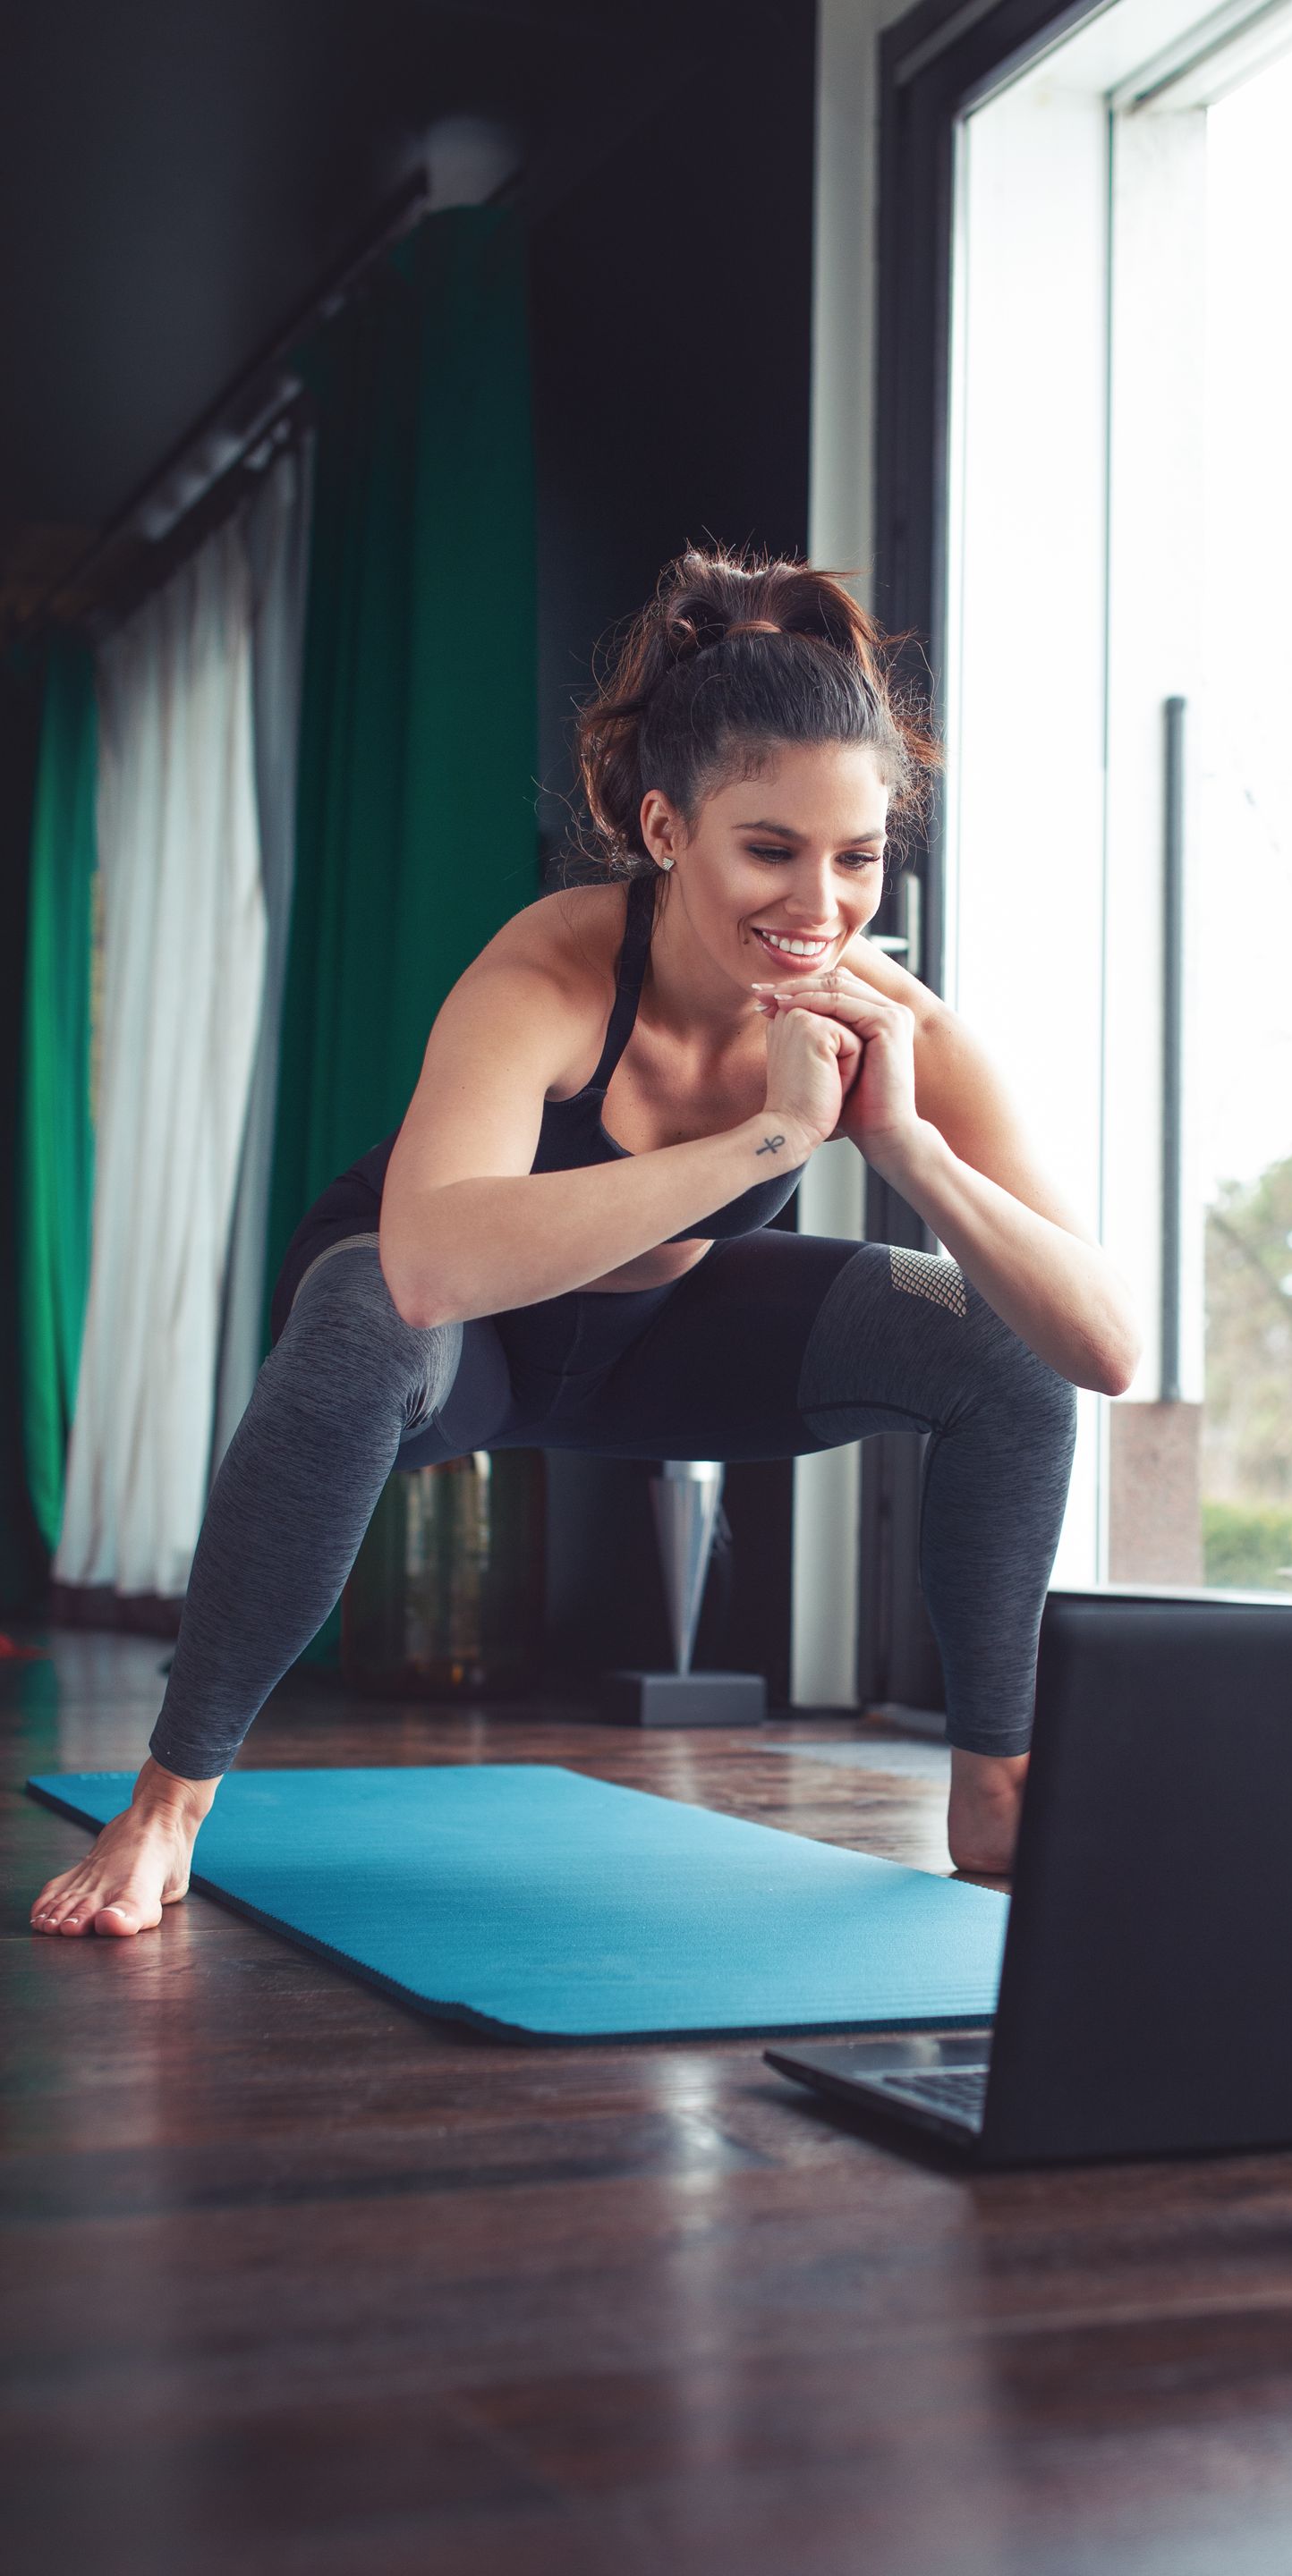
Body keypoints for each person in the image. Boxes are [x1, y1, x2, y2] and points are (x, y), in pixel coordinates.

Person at [30, 548, 1140, 1940]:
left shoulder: (894, 1020)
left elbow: (1102, 1340)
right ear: (669, 830)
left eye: (857, 859)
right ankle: (167, 1804)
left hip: (667, 1339)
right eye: (771, 851)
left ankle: (997, 1783)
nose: (819, 910)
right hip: (461, 1343)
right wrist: (768, 1141)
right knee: (366, 1318)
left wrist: (904, 1144)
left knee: (1004, 1334)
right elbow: (432, 1264)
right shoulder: (552, 968)